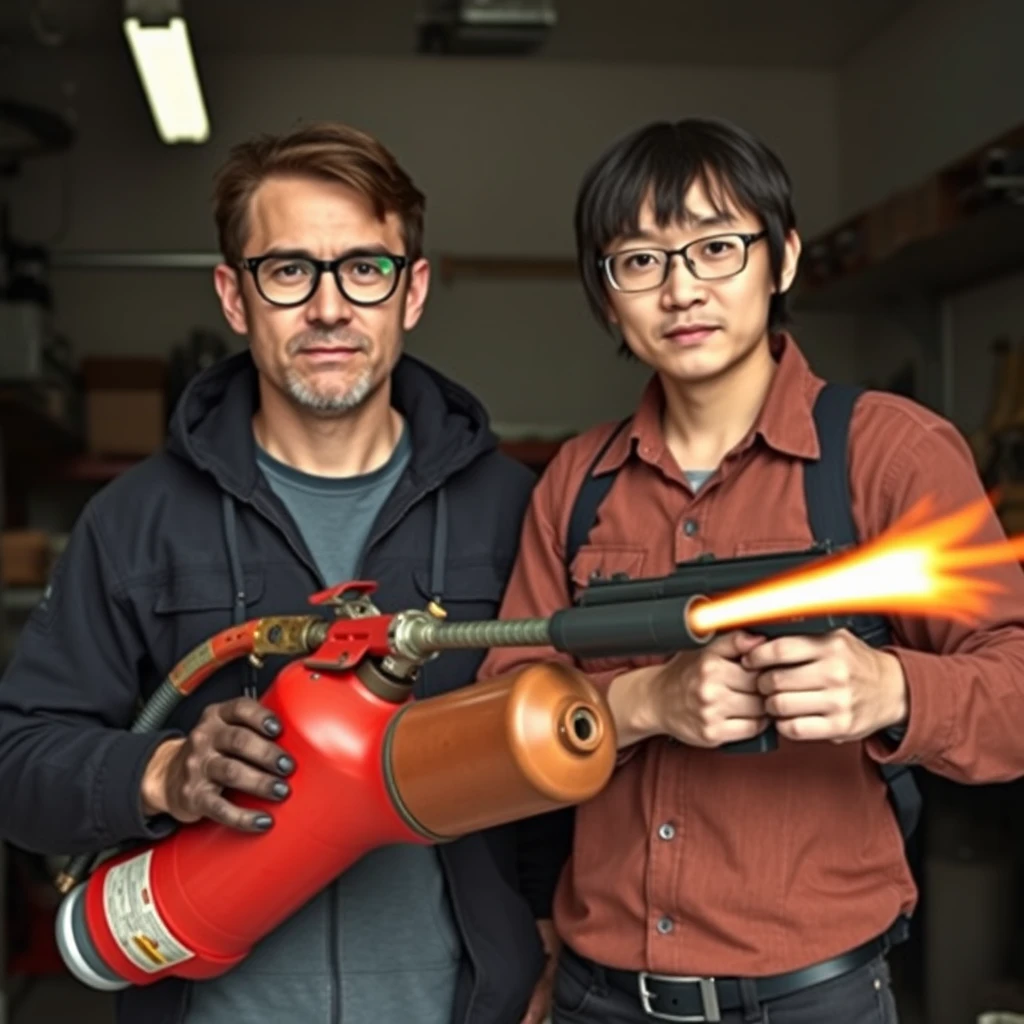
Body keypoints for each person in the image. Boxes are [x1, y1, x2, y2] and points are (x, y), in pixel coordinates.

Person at [0, 121, 556, 1024]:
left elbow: (560, 759)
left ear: (412, 291)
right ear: (234, 295)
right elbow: (18, 764)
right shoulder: (138, 522)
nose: (329, 307)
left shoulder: (510, 510)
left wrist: (545, 934)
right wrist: (165, 772)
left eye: (365, 268)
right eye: (289, 270)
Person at [480, 117, 1024, 1024]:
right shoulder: (575, 483)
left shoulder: (889, 455)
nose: (683, 289)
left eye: (717, 247)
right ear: (606, 298)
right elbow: (495, 736)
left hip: (816, 999)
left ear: (783, 259)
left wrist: (891, 687)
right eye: (641, 261)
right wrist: (644, 703)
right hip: (596, 998)